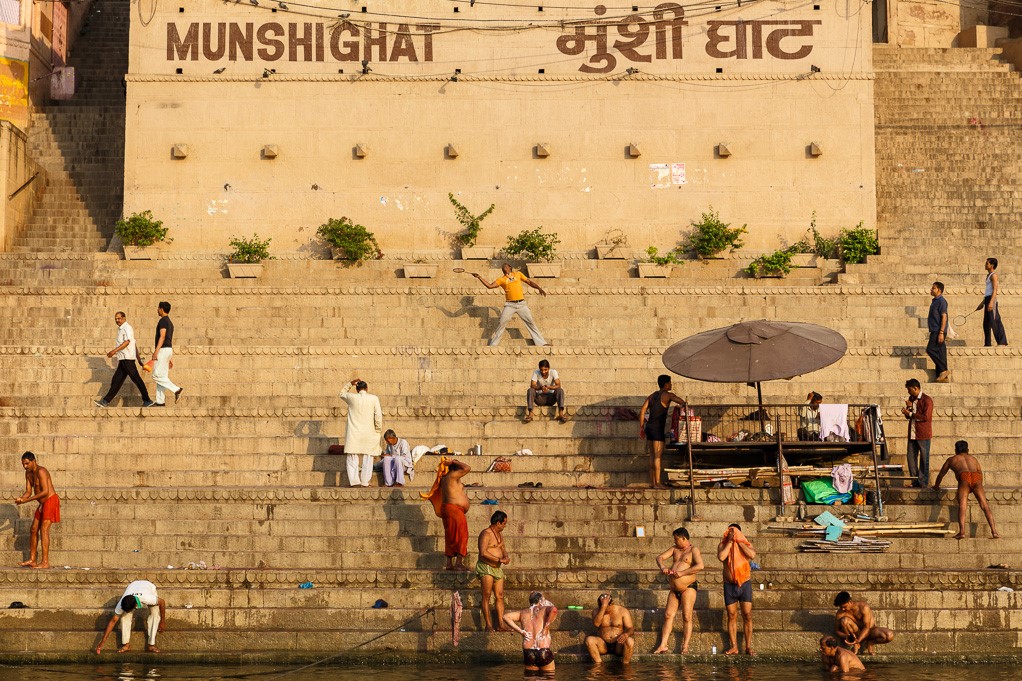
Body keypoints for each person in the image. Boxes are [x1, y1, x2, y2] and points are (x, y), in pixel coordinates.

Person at [933, 440, 1000, 540]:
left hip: (964, 477)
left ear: (956, 450)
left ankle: (962, 532)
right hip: (976, 478)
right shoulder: (973, 459)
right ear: (967, 450)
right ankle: (994, 531)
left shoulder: (952, 459)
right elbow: (980, 473)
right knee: (985, 505)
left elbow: (941, 475)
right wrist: (976, 486)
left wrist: (936, 486)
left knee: (963, 506)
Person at [653, 527, 704, 654]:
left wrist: (682, 573)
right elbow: (659, 557)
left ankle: (685, 646)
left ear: (684, 538)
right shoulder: (674, 549)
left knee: (686, 616)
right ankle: (663, 645)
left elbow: (700, 566)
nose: (675, 541)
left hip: (688, 587)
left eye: (676, 539)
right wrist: (663, 567)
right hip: (674, 589)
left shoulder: (694, 550)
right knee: (668, 615)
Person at [473, 263, 549, 347]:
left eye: (506, 265)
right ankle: (493, 345)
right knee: (502, 323)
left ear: (510, 267)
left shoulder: (518, 274)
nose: (504, 266)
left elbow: (529, 282)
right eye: (503, 266)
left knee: (530, 322)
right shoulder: (501, 279)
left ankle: (541, 343)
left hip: (522, 304)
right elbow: (490, 286)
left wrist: (539, 288)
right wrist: (479, 277)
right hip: (510, 305)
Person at [420, 458, 472, 570]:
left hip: (448, 509)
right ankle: (458, 563)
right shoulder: (452, 476)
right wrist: (454, 461)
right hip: (454, 510)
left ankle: (449, 564)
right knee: (461, 535)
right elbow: (467, 468)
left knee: (451, 536)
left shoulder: (445, 478)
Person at [95, 312, 154, 408]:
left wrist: (114, 351)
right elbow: (133, 344)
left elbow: (127, 342)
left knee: (136, 379)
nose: (117, 320)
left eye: (119, 318)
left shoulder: (127, 328)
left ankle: (147, 400)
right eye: (116, 319)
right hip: (123, 359)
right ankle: (105, 401)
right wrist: (138, 359)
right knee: (116, 380)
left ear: (124, 318)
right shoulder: (121, 329)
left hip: (127, 359)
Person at [639, 374, 687, 488]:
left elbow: (642, 410)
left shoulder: (651, 396)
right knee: (657, 457)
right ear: (666, 384)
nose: (671, 384)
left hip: (649, 428)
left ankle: (652, 483)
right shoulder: (668, 395)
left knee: (651, 456)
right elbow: (681, 402)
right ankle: (658, 483)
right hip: (657, 430)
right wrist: (684, 404)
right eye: (670, 383)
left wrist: (641, 427)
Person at [14, 451, 59, 569]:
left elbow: (45, 491)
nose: (25, 466)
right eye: (23, 464)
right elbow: (28, 491)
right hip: (42, 504)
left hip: (51, 500)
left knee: (44, 530)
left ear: (34, 461)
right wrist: (21, 499)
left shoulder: (42, 471)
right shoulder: (28, 474)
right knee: (33, 529)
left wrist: (27, 500)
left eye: (27, 464)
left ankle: (45, 562)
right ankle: (33, 559)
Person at [95, 580, 167, 654]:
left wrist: (162, 622)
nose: (127, 611)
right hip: (132, 586)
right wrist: (102, 642)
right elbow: (113, 621)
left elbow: (162, 602)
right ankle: (126, 645)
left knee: (155, 614)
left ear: (135, 605)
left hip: (148, 587)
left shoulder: (148, 598)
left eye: (129, 610)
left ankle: (151, 645)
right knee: (124, 617)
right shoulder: (121, 603)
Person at [717, 522, 756, 656]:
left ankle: (748, 646)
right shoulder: (722, 545)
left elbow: (752, 555)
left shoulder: (745, 544)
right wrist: (729, 542)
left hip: (744, 583)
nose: (733, 534)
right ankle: (734, 646)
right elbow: (722, 557)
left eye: (735, 532)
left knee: (747, 614)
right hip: (729, 585)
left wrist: (739, 542)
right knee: (731, 615)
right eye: (730, 531)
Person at [340, 379, 383, 487]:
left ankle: (354, 482)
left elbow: (341, 394)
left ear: (357, 389)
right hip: (369, 433)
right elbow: (378, 415)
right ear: (367, 389)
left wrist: (350, 383)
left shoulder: (352, 397)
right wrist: (378, 429)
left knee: (352, 456)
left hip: (354, 433)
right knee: (368, 457)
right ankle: (364, 482)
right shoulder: (373, 398)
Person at [504, 592, 558, 673]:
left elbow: (505, 616)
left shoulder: (523, 612)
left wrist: (521, 631)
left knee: (530, 677)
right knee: (549, 676)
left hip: (529, 652)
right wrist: (546, 627)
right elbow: (554, 610)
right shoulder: (544, 608)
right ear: (540, 601)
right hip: (543, 650)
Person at [476, 510, 511, 631]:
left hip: (497, 569)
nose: (505, 526)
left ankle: (501, 624)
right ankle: (488, 625)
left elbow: (503, 548)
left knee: (500, 596)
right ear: (498, 523)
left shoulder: (499, 535)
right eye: (504, 523)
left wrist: (506, 557)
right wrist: (499, 559)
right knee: (486, 595)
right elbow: (483, 552)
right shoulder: (486, 534)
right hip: (486, 567)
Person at [900, 378, 933, 488]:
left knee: (924, 459)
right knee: (911, 458)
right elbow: (908, 416)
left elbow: (925, 417)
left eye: (909, 390)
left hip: (923, 434)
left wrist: (910, 414)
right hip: (912, 433)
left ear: (916, 388)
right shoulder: (911, 399)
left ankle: (923, 482)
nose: (908, 392)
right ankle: (915, 481)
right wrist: (908, 409)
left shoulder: (927, 400)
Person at [150, 301, 183, 406]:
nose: (157, 310)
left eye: (158, 308)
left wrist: (156, 351)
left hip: (163, 349)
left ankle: (177, 390)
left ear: (161, 309)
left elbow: (163, 336)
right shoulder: (169, 322)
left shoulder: (163, 321)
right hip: (167, 350)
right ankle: (160, 401)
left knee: (156, 375)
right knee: (162, 375)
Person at [586, 593, 635, 663]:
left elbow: (631, 628)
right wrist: (603, 607)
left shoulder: (622, 611)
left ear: (612, 603)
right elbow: (596, 624)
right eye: (601, 605)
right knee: (589, 640)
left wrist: (626, 634)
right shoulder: (596, 611)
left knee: (630, 641)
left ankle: (626, 665)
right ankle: (599, 665)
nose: (605, 608)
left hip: (619, 644)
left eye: (606, 606)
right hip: (603, 645)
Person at [978, 258, 1008, 347]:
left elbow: (995, 290)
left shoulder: (994, 275)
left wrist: (991, 302)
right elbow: (988, 291)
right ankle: (987, 344)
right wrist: (983, 302)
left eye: (987, 263)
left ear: (992, 265)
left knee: (995, 321)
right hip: (987, 299)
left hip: (992, 300)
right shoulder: (988, 276)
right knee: (986, 323)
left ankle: (1002, 342)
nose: (985, 265)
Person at [526, 359, 566, 423]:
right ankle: (530, 414)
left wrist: (548, 387)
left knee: (560, 390)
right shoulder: (536, 372)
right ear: (539, 369)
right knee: (530, 390)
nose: (543, 372)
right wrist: (540, 388)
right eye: (541, 370)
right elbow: (532, 385)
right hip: (540, 398)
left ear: (549, 368)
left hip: (551, 398)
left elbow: (558, 385)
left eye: (545, 370)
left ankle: (561, 414)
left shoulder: (553, 372)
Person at [926, 282, 950, 383]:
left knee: (930, 349)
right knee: (941, 353)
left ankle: (944, 370)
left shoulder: (941, 301)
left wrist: (941, 332)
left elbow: (944, 317)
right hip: (935, 330)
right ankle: (942, 376)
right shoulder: (935, 301)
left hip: (938, 330)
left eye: (933, 288)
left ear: (939, 290)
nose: (931, 290)